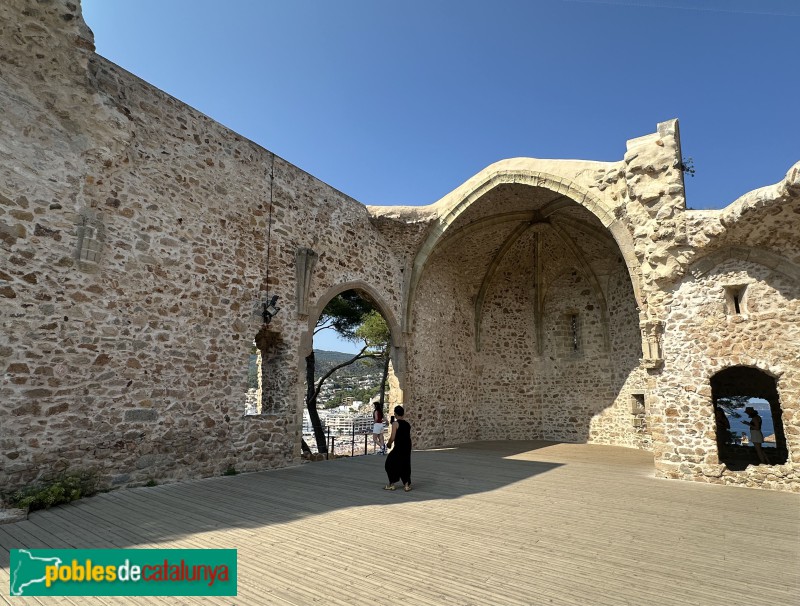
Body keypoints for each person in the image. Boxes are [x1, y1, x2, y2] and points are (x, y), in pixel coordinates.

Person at [383, 405, 412, 492]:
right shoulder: (407, 424)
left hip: (399, 446)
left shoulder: (395, 423)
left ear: (395, 414)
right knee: (405, 463)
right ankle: (406, 485)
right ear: (403, 414)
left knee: (389, 463)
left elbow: (393, 437)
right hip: (407, 446)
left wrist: (388, 444)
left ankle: (392, 484)